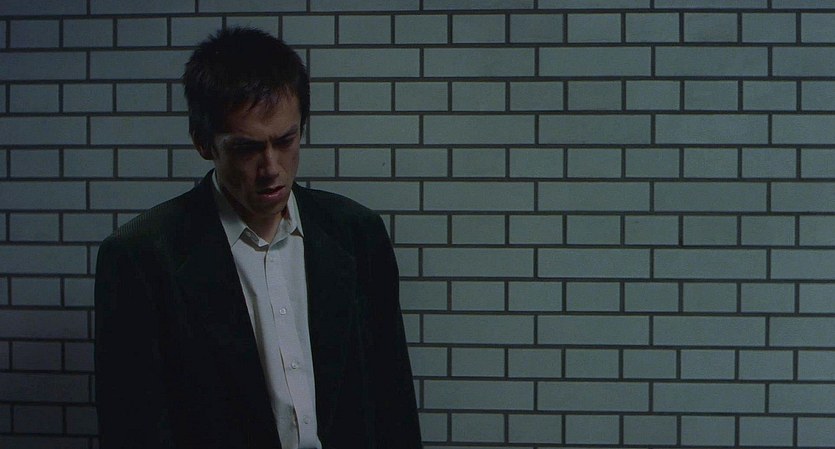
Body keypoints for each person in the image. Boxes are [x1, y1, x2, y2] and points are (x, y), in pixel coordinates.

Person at [94, 27, 422, 449]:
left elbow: (393, 401)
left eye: (286, 141)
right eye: (246, 148)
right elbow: (133, 429)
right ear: (203, 143)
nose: (271, 168)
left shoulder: (358, 234)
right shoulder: (141, 257)